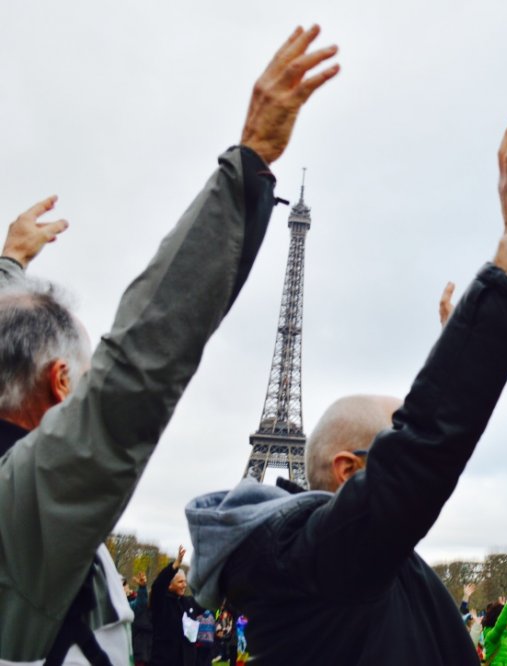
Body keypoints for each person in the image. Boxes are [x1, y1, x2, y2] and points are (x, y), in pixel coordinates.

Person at [0, 25, 339, 664]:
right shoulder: (29, 505)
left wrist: (9, 266)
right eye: (86, 371)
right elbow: (143, 358)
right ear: (61, 385)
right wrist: (245, 169)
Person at [185, 119, 507, 665]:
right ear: (350, 470)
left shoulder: (345, 564)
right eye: (395, 438)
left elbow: (423, 450)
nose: (409, 443)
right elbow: (425, 449)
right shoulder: (316, 562)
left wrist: (455, 352)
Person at [150, 546, 200, 666]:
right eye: (180, 582)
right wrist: (174, 566)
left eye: (185, 581)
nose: (184, 585)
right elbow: (158, 586)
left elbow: (207, 602)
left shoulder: (187, 603)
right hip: (164, 661)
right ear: (169, 585)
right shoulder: (161, 603)